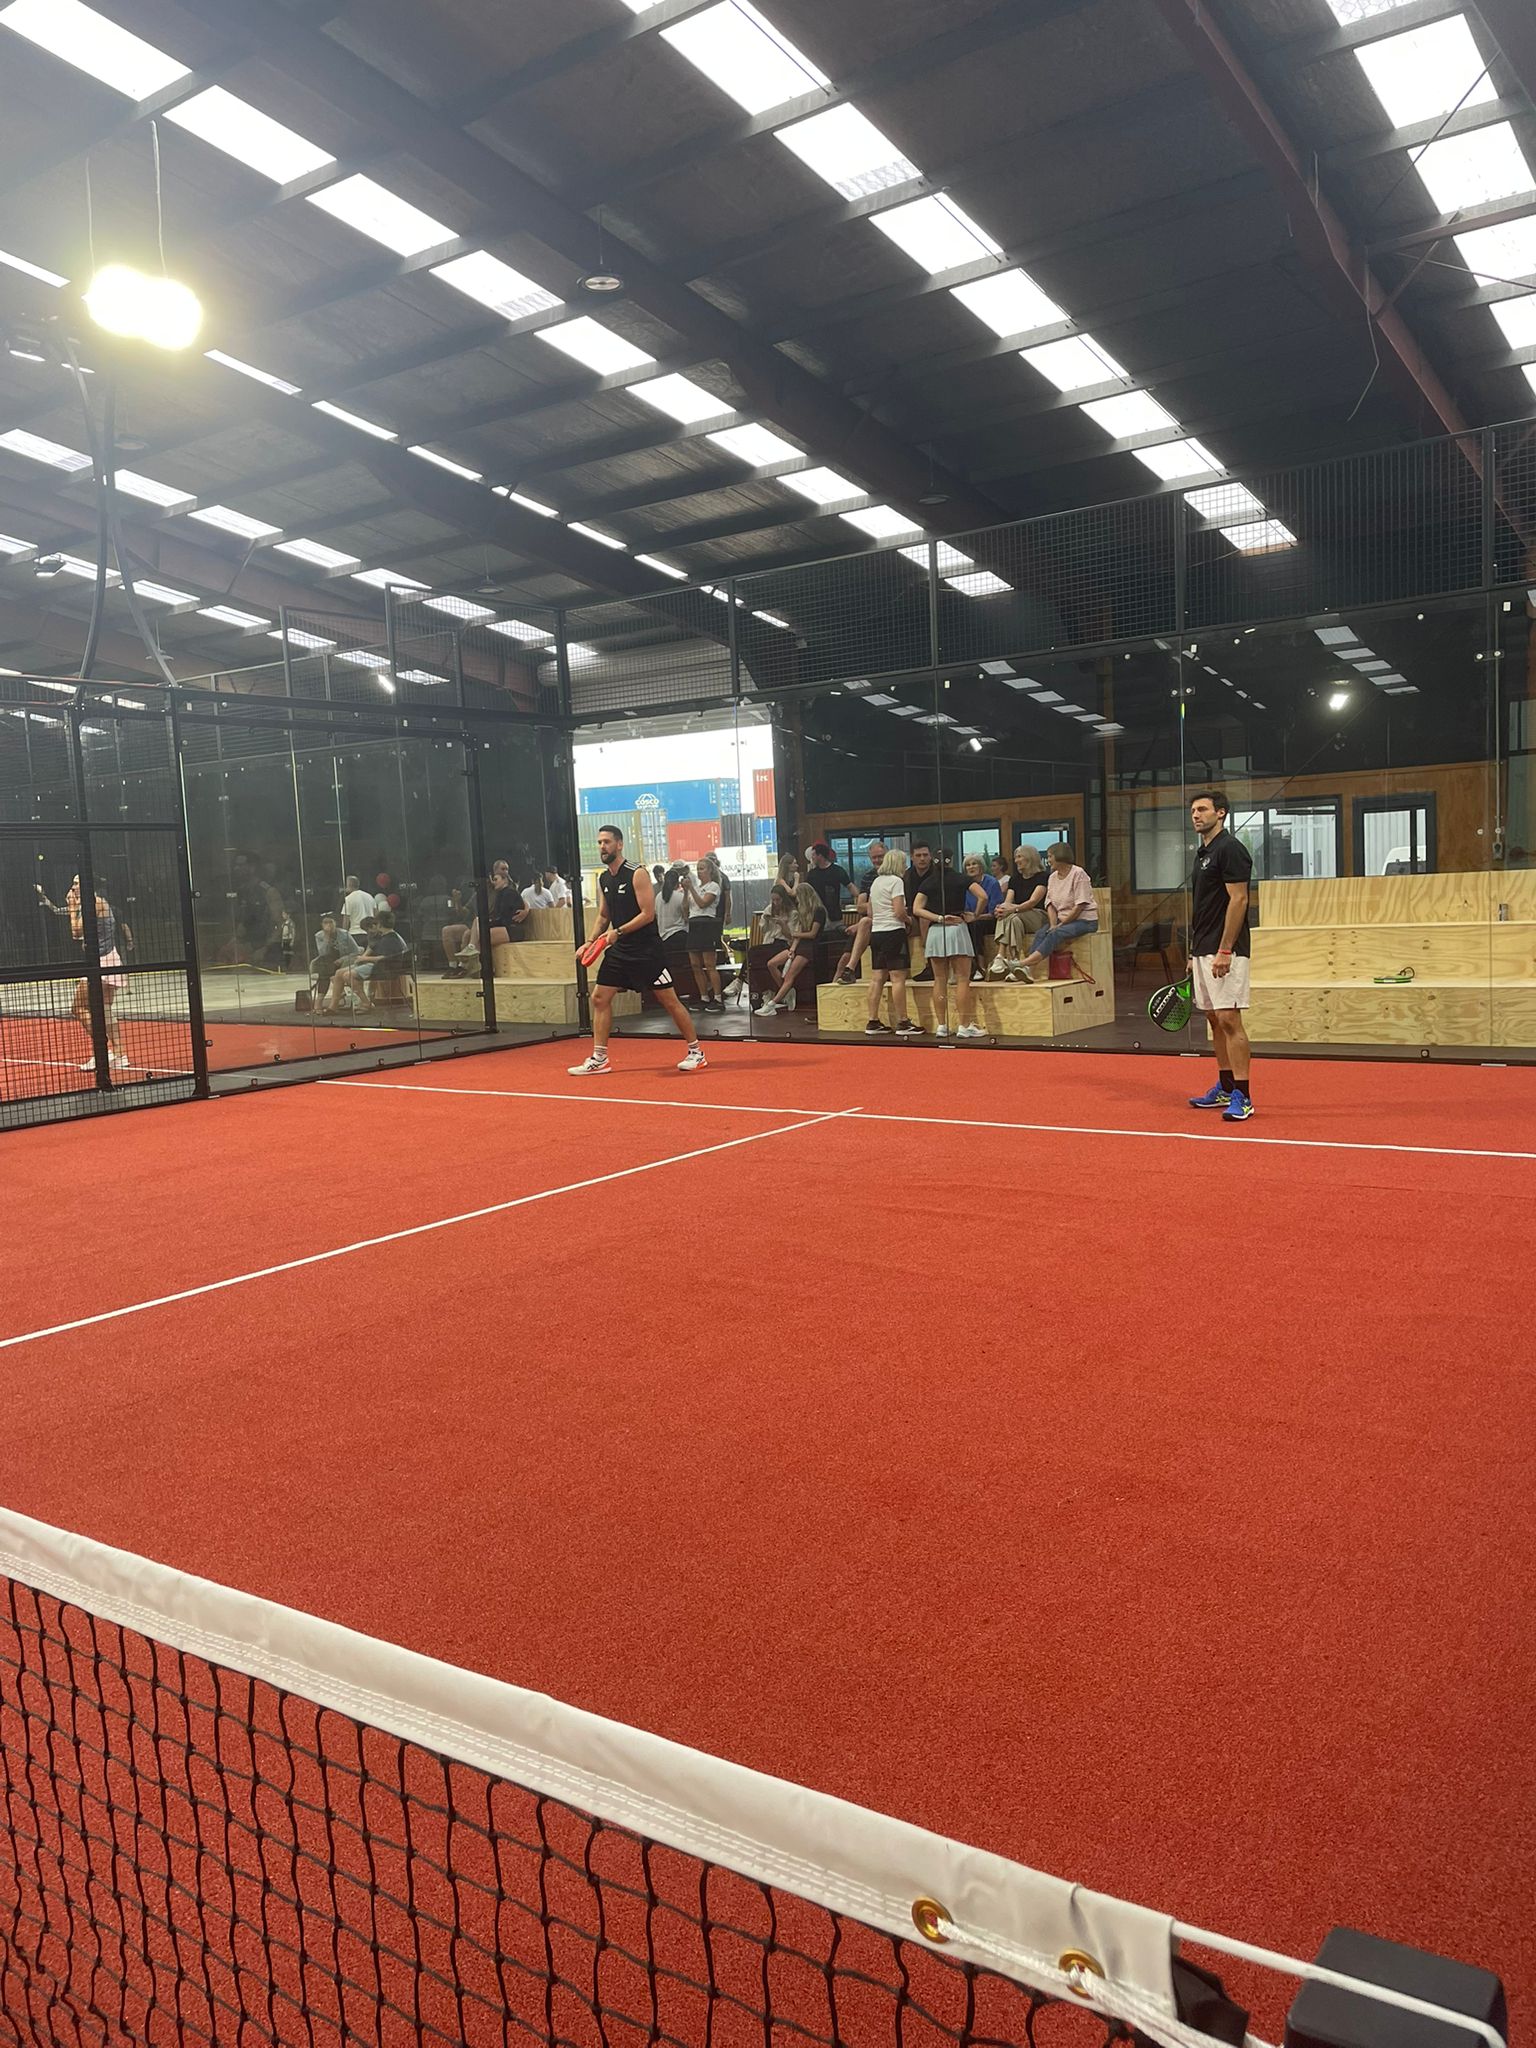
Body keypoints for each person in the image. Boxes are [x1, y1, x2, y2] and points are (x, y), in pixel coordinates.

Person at [568, 825, 705, 1075]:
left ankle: (696, 1052)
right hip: (620, 952)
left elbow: (647, 914)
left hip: (647, 951)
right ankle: (599, 1058)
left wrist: (617, 932)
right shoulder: (604, 878)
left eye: (607, 842)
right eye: (599, 842)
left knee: (669, 1001)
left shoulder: (637, 873)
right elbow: (603, 915)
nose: (602, 847)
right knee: (599, 998)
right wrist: (589, 942)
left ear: (619, 844)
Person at [1185, 790, 1255, 1122]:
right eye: (1193, 811)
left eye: (1203, 809)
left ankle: (1244, 1095)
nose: (1196, 815)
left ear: (1221, 813)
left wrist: (1225, 949)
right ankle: (1226, 1087)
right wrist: (1194, 952)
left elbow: (1238, 900)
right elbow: (1203, 907)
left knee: (1229, 1020)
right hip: (1203, 949)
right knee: (1214, 1020)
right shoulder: (1202, 853)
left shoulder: (1230, 849)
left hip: (1227, 949)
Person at [38, 876, 131, 1074]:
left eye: (77, 884)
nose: (73, 887)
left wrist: (72, 908)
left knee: (78, 1007)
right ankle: (120, 1054)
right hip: (109, 959)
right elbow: (63, 916)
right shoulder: (95, 903)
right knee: (104, 1008)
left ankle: (102, 1051)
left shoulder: (95, 903)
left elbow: (76, 931)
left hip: (101, 962)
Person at [911, 846, 988, 1039]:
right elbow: (983, 896)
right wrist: (976, 915)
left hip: (936, 931)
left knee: (939, 980)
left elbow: (916, 909)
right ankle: (964, 1026)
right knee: (962, 979)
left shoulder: (928, 882)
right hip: (957, 927)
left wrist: (938, 918)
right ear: (951, 860)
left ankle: (942, 1026)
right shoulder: (961, 879)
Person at [1016, 845, 1098, 983]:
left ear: (1060, 856)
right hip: (1062, 920)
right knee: (1042, 932)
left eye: (1050, 856)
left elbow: (1080, 905)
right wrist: (1053, 924)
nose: (1048, 861)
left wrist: (1060, 925)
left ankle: (1024, 963)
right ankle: (1029, 972)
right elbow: (1050, 904)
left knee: (1055, 933)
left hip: (1084, 921)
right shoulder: (1052, 877)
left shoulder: (1078, 873)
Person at [864, 849, 923, 1037]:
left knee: (877, 978)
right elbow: (898, 911)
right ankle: (903, 1021)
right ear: (897, 864)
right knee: (898, 979)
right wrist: (909, 920)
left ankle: (873, 1021)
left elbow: (870, 912)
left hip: (877, 933)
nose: (906, 867)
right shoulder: (897, 881)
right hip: (893, 932)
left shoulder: (875, 882)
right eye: (904, 863)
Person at [757, 882, 825, 1017]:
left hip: (810, 947)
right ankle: (787, 993)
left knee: (789, 975)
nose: (797, 900)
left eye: (799, 896)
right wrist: (792, 949)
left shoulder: (819, 911)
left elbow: (812, 934)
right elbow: (799, 933)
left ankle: (773, 1003)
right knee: (771, 963)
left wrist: (794, 935)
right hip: (799, 945)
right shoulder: (803, 911)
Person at [325, 907, 406, 1012]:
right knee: (339, 973)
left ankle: (366, 1002)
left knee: (348, 975)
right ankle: (333, 1006)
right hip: (377, 964)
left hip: (382, 967)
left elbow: (384, 958)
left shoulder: (391, 939)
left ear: (379, 924)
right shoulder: (385, 937)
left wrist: (365, 958)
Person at [988, 847, 1048, 980]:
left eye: (1020, 856)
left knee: (1011, 914)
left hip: (1039, 915)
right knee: (1011, 917)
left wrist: (1011, 909)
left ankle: (1001, 956)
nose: (1016, 861)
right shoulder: (1014, 879)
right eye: (1016, 857)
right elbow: (1007, 902)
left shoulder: (1043, 876)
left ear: (1030, 857)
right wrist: (1001, 909)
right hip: (1018, 916)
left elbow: (1033, 902)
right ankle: (1014, 964)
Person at [834, 840, 887, 984]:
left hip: (884, 921)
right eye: (874, 857)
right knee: (843, 960)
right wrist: (876, 904)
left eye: (880, 856)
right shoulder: (868, 877)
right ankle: (834, 990)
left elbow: (894, 907)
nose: (877, 860)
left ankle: (850, 970)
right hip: (868, 922)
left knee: (864, 922)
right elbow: (860, 907)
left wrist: (872, 904)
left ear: (887, 855)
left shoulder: (895, 877)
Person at [680, 853, 726, 1012]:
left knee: (709, 964)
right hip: (694, 924)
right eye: (697, 869)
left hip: (707, 924)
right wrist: (686, 891)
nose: (699, 872)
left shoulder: (713, 886)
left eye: (702, 869)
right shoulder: (697, 888)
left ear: (710, 871)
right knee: (695, 964)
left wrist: (691, 888)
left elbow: (702, 903)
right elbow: (686, 908)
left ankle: (718, 998)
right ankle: (703, 996)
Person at [963, 854, 1000, 979]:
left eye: (974, 864)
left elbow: (994, 912)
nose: (971, 867)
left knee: (975, 926)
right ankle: (963, 969)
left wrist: (975, 917)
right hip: (971, 921)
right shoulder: (964, 885)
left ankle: (980, 966)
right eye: (968, 865)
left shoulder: (992, 883)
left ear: (981, 866)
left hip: (990, 920)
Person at [310, 913, 358, 1007]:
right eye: (325, 923)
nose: (328, 925)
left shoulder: (345, 934)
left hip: (344, 963)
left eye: (330, 922)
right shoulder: (319, 936)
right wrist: (326, 938)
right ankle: (339, 991)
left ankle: (318, 1003)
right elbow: (322, 953)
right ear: (322, 925)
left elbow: (356, 951)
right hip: (327, 964)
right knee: (326, 966)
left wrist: (342, 959)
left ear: (335, 923)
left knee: (325, 973)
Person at [655, 862, 691, 971]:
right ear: (677, 883)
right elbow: (686, 917)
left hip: (663, 940)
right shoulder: (680, 897)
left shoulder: (658, 897)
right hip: (680, 938)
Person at [804, 842, 851, 922]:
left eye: (813, 855)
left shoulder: (837, 871)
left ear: (820, 856)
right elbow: (805, 892)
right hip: (817, 918)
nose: (812, 857)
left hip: (835, 917)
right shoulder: (812, 874)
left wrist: (860, 898)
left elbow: (850, 886)